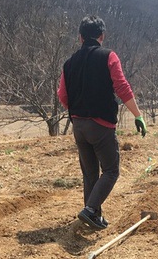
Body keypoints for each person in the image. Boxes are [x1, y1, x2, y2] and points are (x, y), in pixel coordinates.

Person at [58, 15, 146, 231]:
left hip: (78, 125)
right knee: (111, 171)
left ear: (80, 37)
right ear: (102, 36)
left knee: (89, 173)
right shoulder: (109, 57)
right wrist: (138, 115)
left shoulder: (69, 63)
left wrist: (78, 110)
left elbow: (62, 96)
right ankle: (89, 210)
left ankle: (94, 216)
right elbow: (122, 87)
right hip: (101, 125)